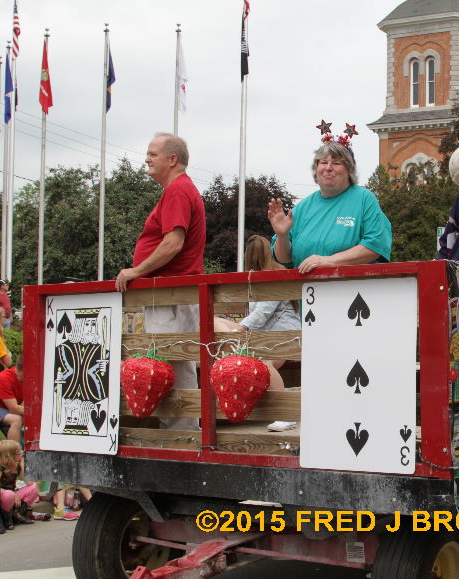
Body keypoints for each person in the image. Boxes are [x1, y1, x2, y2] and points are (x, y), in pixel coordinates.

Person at [116, 134, 207, 431]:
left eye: (152, 153)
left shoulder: (178, 190)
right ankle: (182, 430)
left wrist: (136, 271)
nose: (147, 158)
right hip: (174, 293)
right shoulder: (180, 189)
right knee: (175, 363)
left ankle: (180, 434)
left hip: (170, 292)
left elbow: (173, 243)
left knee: (167, 363)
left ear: (172, 159)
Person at [268, 141, 391, 274]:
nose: (328, 167)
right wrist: (282, 236)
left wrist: (329, 261)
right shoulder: (302, 207)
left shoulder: (364, 199)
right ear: (316, 169)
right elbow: (283, 260)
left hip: (353, 290)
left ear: (349, 170)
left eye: (336, 163)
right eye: (323, 162)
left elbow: (376, 245)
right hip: (304, 291)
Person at [214, 236, 302, 391]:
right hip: (263, 334)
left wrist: (239, 330)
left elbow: (262, 313)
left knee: (265, 364)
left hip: (283, 335)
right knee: (214, 321)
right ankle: (238, 347)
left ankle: (281, 410)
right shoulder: (259, 277)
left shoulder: (273, 276)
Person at [0, 440, 36, 528]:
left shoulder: (16, 465)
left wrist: (22, 464)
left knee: (34, 487)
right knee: (9, 495)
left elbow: (29, 482)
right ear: (9, 456)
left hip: (12, 494)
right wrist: (14, 495)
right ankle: (7, 517)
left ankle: (20, 513)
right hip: (1, 495)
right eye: (18, 453)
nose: (21, 453)